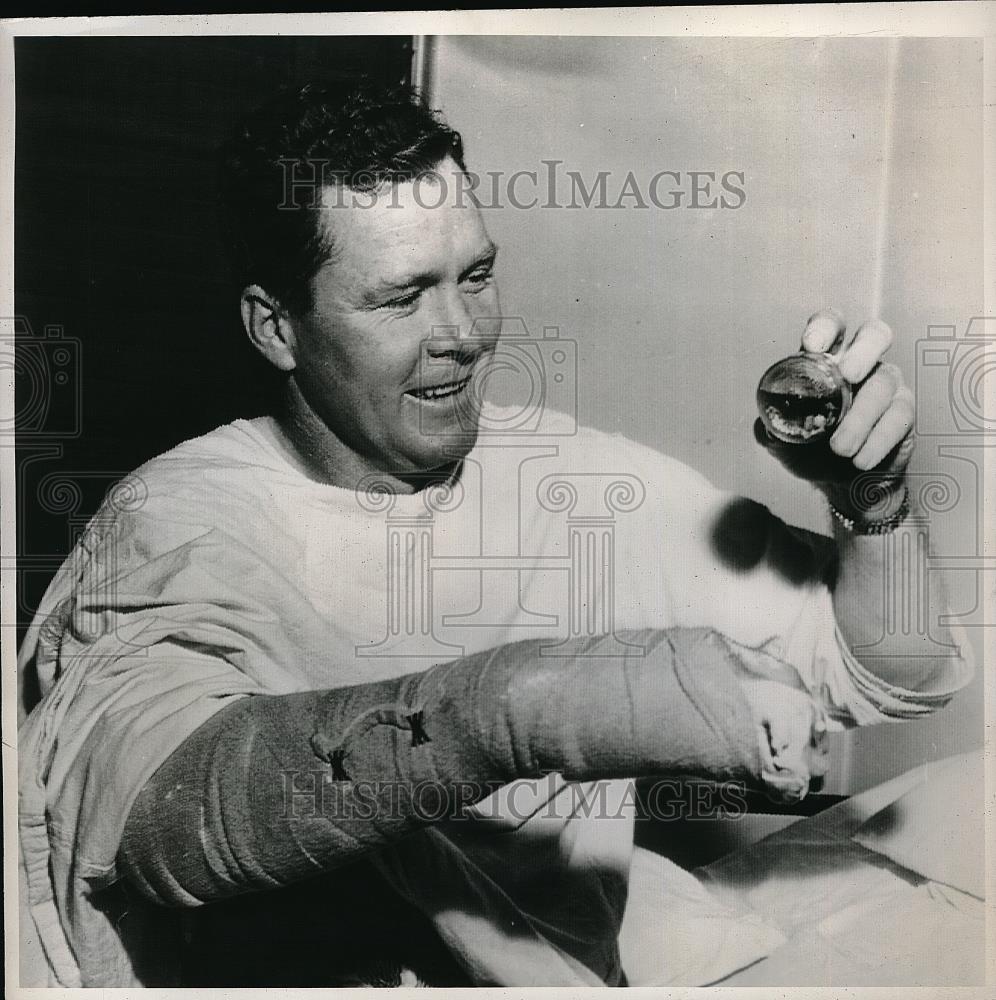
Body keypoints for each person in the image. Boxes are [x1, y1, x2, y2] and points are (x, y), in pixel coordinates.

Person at [17, 78, 972, 988]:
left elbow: (893, 671)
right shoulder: (178, 522)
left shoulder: (573, 480)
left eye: (475, 275)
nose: (464, 333)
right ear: (276, 328)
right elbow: (162, 821)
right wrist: (512, 709)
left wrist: (873, 502)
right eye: (401, 298)